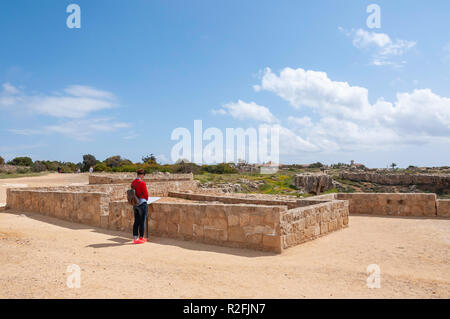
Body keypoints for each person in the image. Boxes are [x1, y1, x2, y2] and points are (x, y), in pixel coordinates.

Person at [130, 169, 149, 244]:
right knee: (142, 221)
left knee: (136, 221)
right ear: (142, 175)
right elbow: (145, 193)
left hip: (135, 203)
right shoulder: (142, 183)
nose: (143, 177)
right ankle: (141, 237)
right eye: (143, 175)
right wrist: (146, 199)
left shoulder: (133, 182)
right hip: (142, 203)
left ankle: (135, 238)